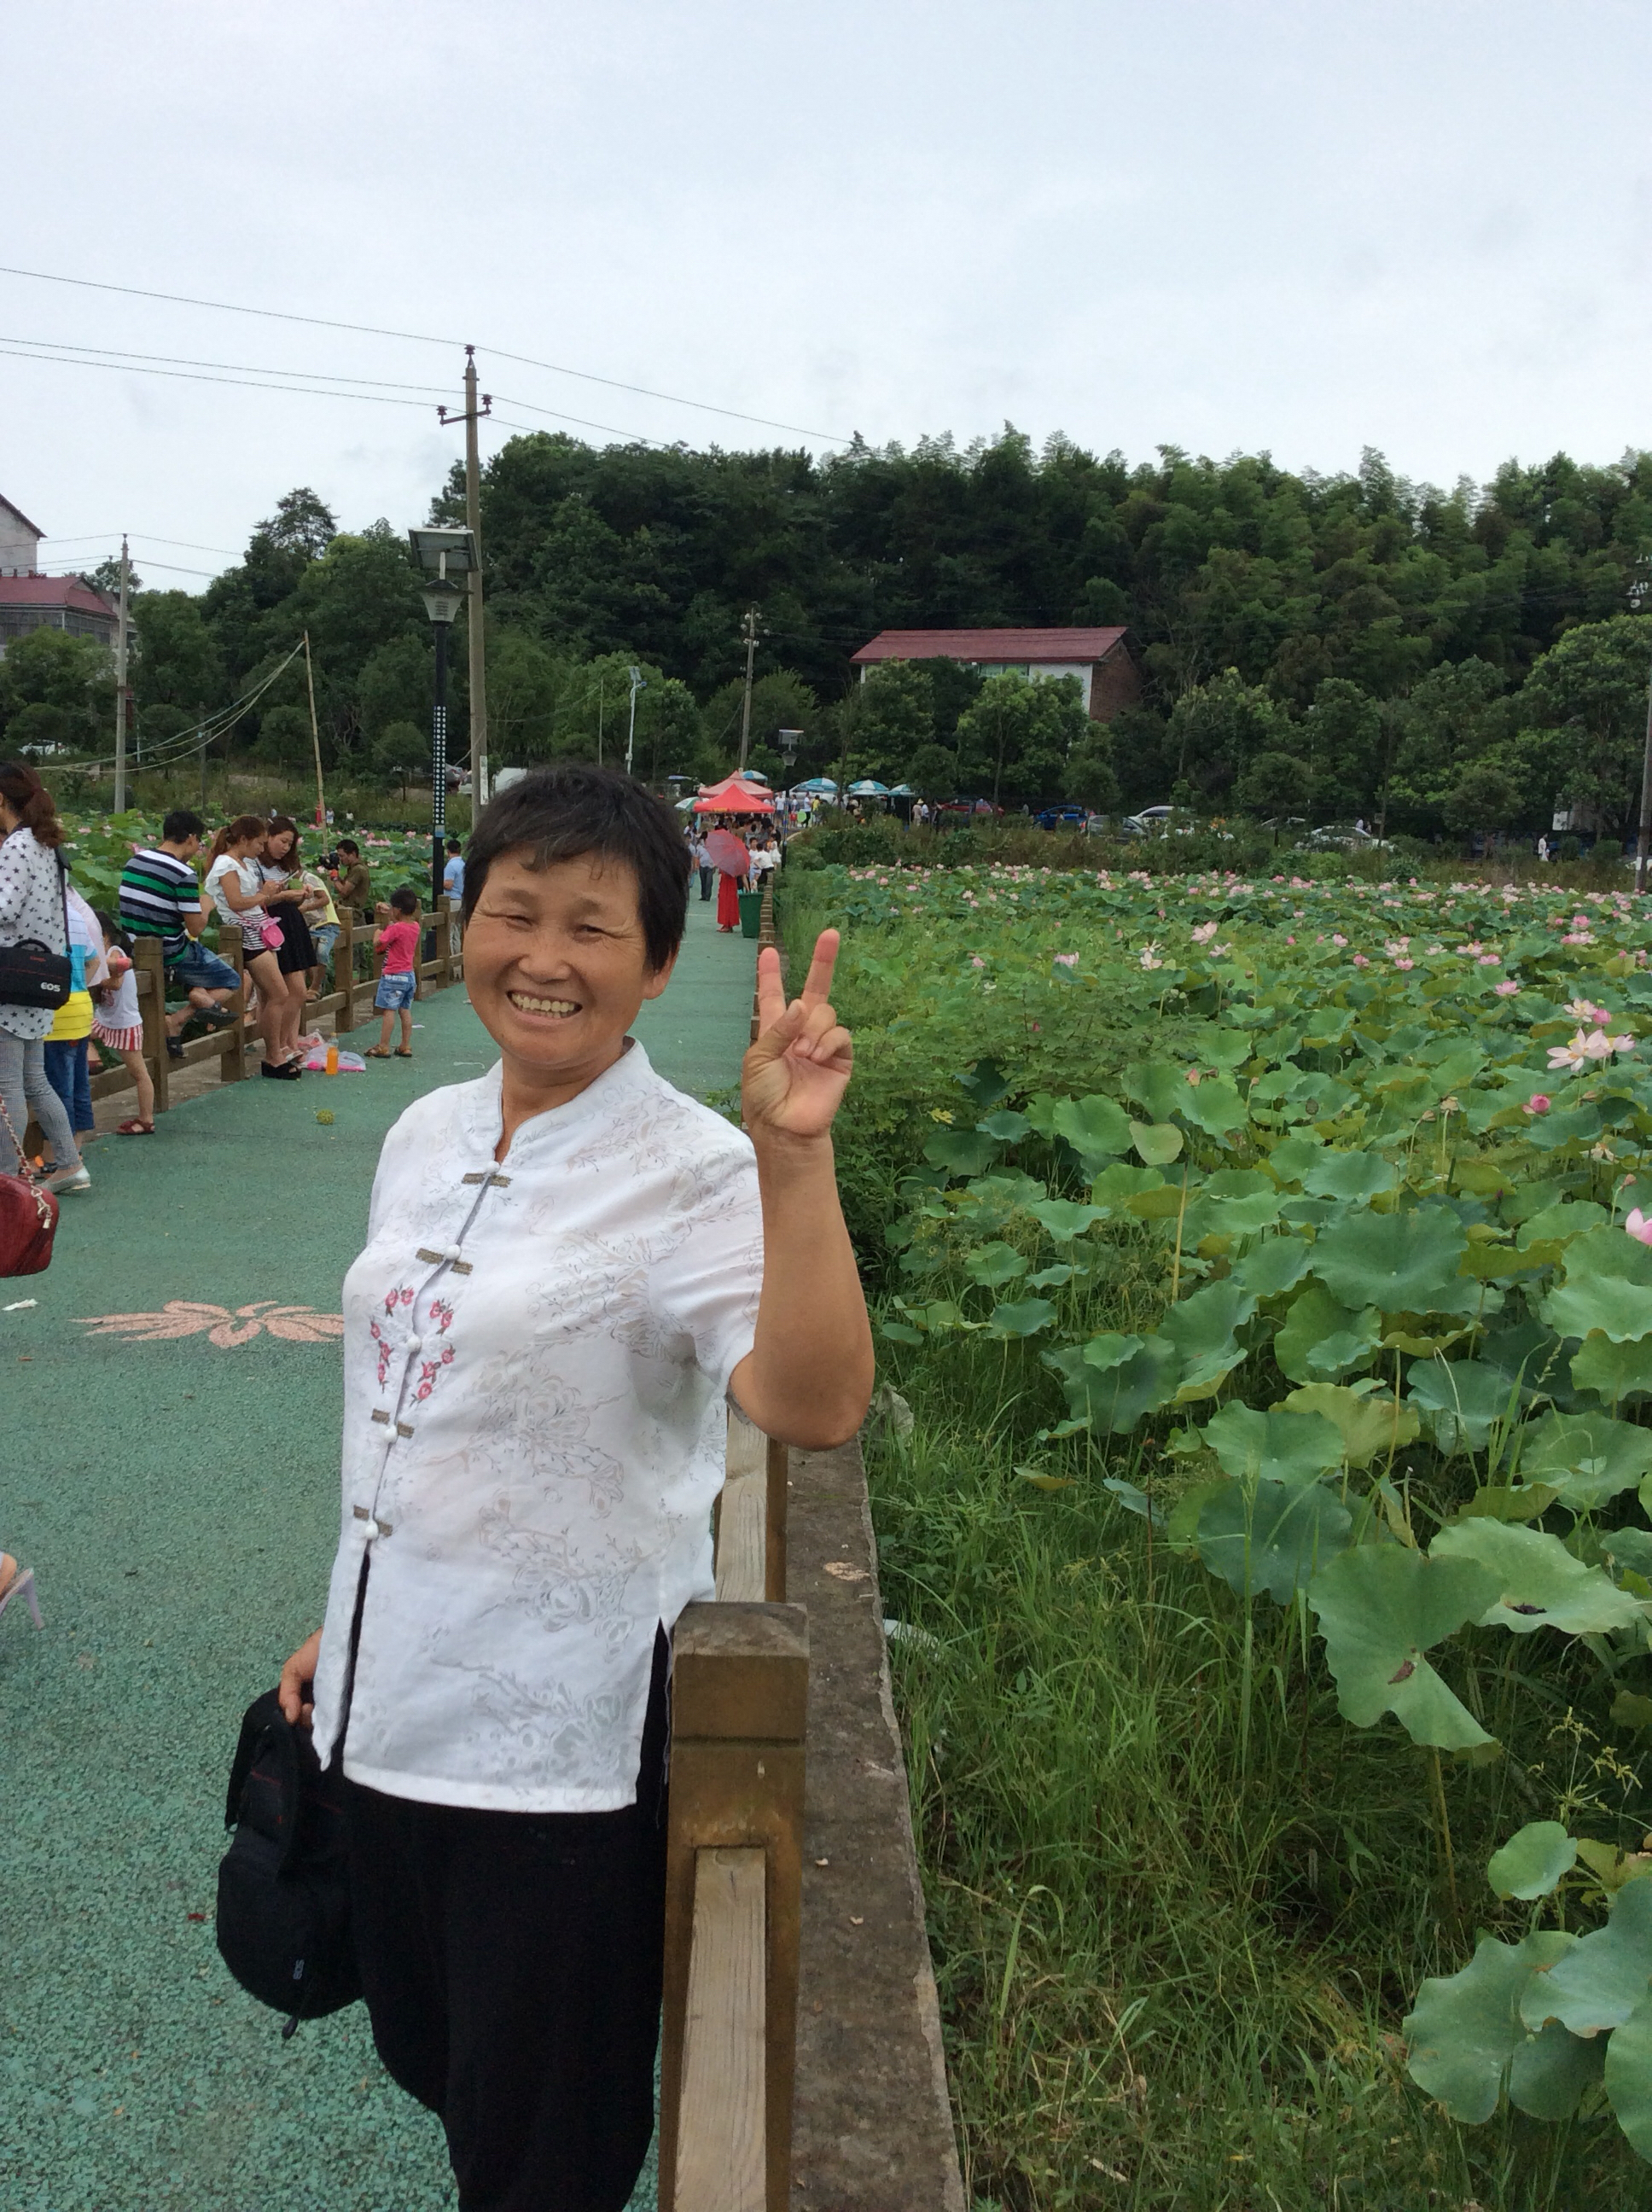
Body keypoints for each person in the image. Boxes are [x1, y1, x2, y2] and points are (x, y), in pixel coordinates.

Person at [277, 761, 871, 2212]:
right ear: (465, 923)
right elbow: (418, 1398)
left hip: (554, 1762)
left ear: (662, 962)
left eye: (593, 927)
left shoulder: (692, 1171)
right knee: (440, 2063)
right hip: (381, 1708)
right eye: (514, 912)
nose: (542, 958)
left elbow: (813, 1401)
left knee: (544, 2147)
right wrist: (347, 1611)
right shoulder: (423, 1133)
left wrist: (795, 1164)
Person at [0, 761, 89, 1194]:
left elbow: (5, 908)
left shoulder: (16, 847)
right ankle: (70, 1164)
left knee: (8, 1086)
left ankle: (10, 1180)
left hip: (11, 978)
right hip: (40, 978)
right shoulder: (46, 845)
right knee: (34, 1080)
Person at [118, 808, 239, 1057]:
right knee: (231, 980)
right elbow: (195, 928)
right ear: (191, 838)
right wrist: (205, 906)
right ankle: (179, 1017)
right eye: (199, 842)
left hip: (132, 948)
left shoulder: (134, 861)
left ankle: (196, 995)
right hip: (170, 952)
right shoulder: (183, 873)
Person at [205, 817, 305, 1080]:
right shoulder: (226, 864)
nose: (262, 849)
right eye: (260, 843)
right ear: (244, 840)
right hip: (247, 934)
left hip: (259, 930)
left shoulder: (242, 864)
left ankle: (276, 1053)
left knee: (271, 995)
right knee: (279, 993)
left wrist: (266, 894)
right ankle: (273, 1055)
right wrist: (267, 894)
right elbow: (236, 902)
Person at [42, 882, 107, 1161]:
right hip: (81, 1006)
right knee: (79, 1083)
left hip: (56, 1013)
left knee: (57, 1089)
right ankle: (76, 1147)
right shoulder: (77, 917)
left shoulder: (41, 917)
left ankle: (61, 1156)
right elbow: (94, 961)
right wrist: (78, 983)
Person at [90, 911, 154, 1134]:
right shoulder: (101, 955)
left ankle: (146, 1119)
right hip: (106, 1018)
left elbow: (118, 978)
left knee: (138, 1072)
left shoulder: (113, 951)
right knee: (79, 1032)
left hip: (124, 1023)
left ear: (104, 934)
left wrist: (97, 974)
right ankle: (94, 1060)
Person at [262, 817, 325, 1020]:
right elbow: (258, 901)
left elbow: (293, 902)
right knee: (283, 993)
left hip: (292, 923)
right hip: (271, 925)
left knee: (298, 990)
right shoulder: (255, 864)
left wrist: (300, 895)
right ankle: (280, 1046)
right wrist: (283, 896)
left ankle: (291, 1043)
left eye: (290, 843)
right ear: (269, 837)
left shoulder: (287, 866)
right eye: (283, 841)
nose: (286, 848)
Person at [365, 886, 420, 1059]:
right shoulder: (415, 926)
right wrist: (388, 912)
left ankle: (384, 1046)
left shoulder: (396, 929)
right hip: (409, 975)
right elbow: (399, 920)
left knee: (388, 1010)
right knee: (405, 1010)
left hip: (392, 976)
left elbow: (379, 943)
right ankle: (405, 1045)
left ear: (397, 909)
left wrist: (376, 934)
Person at [443, 838, 465, 958]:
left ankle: (450, 965)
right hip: (461, 901)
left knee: (449, 934)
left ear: (448, 851)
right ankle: (457, 968)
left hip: (451, 901)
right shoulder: (463, 864)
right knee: (457, 933)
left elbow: (448, 884)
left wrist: (436, 882)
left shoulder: (451, 865)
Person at [691, 827, 713, 901]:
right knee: (703, 881)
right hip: (702, 866)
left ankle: (708, 896)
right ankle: (703, 895)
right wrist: (696, 865)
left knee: (709, 882)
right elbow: (696, 856)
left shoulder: (712, 847)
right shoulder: (700, 847)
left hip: (710, 866)